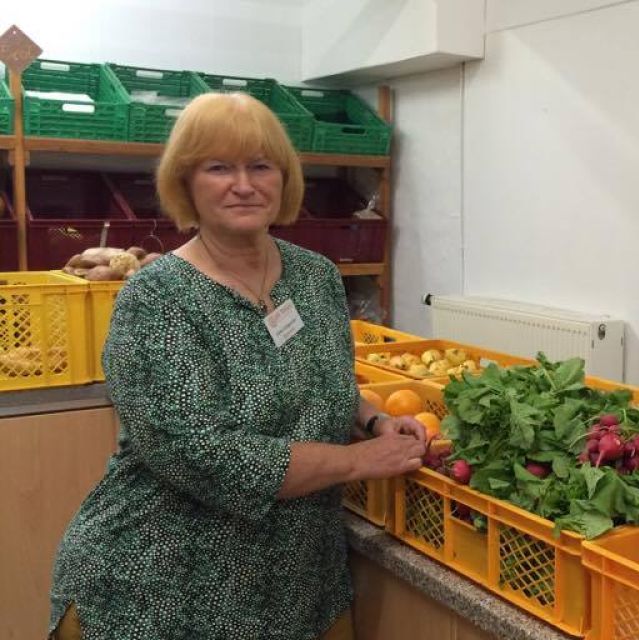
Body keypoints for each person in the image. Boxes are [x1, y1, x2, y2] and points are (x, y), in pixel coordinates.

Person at [47, 92, 426, 640]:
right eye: (219, 167)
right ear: (186, 183)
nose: (243, 184)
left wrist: (374, 422)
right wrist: (362, 460)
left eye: (260, 166)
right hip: (163, 588)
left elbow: (330, 386)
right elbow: (206, 456)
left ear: (284, 178)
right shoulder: (157, 299)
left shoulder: (314, 276)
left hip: (295, 581)